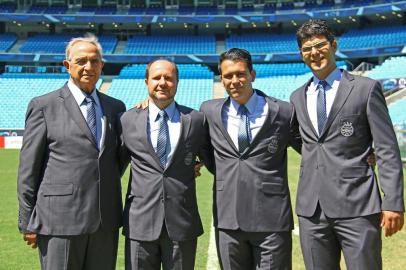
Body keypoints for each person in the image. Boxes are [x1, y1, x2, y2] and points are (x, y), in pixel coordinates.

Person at [290, 19, 405, 270]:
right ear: (301, 55)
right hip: (312, 210)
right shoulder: (297, 96)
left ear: (333, 45)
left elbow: (386, 148)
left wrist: (393, 201)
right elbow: (306, 143)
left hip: (358, 206)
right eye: (307, 49)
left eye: (320, 45)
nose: (314, 53)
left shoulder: (365, 89)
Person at [17, 34, 126, 270]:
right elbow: (28, 170)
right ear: (67, 66)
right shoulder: (44, 106)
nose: (89, 67)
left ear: (102, 65)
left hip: (104, 222)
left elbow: (119, 160)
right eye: (81, 61)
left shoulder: (116, 107)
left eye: (95, 61)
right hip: (59, 221)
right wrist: (27, 221)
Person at [200, 48, 302, 270]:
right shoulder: (209, 112)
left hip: (272, 220)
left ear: (252, 75)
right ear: (221, 78)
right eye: (228, 76)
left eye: (240, 74)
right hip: (228, 219)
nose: (234, 81)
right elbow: (205, 153)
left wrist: (361, 152)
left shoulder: (283, 112)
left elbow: (311, 148)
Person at [119, 59, 213, 270]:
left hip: (181, 222)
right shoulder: (127, 120)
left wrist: (195, 163)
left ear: (177, 83)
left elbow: (214, 158)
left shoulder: (196, 120)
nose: (162, 82)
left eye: (168, 78)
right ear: (146, 82)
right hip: (139, 223)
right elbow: (114, 167)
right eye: (156, 78)